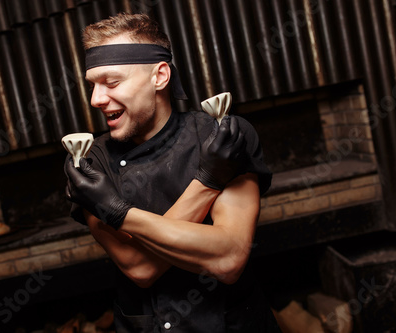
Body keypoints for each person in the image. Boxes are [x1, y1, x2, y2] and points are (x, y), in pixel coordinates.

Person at [64, 12, 280, 333]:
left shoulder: (224, 136)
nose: (96, 99)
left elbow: (229, 258)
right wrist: (208, 183)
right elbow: (139, 268)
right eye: (92, 85)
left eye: (111, 82)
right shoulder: (88, 163)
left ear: (160, 76)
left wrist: (117, 212)